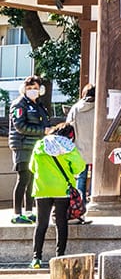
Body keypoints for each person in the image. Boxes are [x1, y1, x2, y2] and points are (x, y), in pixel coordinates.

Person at [28, 121, 84, 268]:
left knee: (41, 223)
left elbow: (32, 167)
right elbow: (80, 167)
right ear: (70, 135)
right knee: (61, 222)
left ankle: (36, 258)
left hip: (42, 189)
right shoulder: (69, 147)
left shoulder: (40, 145)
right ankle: (60, 257)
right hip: (62, 190)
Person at [9, 76, 51, 224]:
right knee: (23, 179)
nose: (32, 91)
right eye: (29, 88)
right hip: (23, 146)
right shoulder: (19, 105)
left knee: (32, 180)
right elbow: (20, 127)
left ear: (41, 90)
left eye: (35, 88)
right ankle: (16, 214)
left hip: (36, 147)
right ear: (24, 89)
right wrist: (43, 131)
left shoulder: (40, 105)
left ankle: (28, 211)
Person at [66, 85, 97, 222]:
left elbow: (68, 127)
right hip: (97, 150)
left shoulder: (76, 108)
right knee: (97, 178)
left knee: (81, 179)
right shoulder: (100, 108)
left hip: (80, 149)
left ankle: (80, 206)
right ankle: (94, 200)